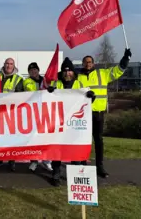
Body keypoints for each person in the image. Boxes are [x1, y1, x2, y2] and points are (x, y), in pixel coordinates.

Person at [77, 48, 132, 178]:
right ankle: (83, 164)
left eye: (90, 62)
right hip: (83, 114)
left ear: (93, 63)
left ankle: (100, 167)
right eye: (85, 62)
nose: (88, 64)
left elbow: (117, 71)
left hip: (98, 113)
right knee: (83, 141)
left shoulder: (102, 73)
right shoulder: (77, 77)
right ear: (82, 64)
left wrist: (125, 59)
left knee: (98, 140)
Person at [47, 57, 95, 187]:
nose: (67, 73)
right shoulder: (56, 84)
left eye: (69, 71)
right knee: (57, 148)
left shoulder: (80, 84)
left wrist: (92, 97)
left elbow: (87, 103)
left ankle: (76, 174)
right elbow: (47, 100)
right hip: (59, 122)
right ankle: (56, 173)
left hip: (75, 123)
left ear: (73, 72)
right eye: (65, 71)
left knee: (75, 148)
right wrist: (49, 92)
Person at [23, 62, 53, 173]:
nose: (33, 72)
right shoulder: (26, 82)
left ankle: (47, 160)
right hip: (32, 113)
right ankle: (34, 161)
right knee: (33, 138)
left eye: (35, 70)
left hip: (45, 112)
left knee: (46, 137)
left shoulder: (45, 80)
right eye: (31, 71)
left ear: (38, 70)